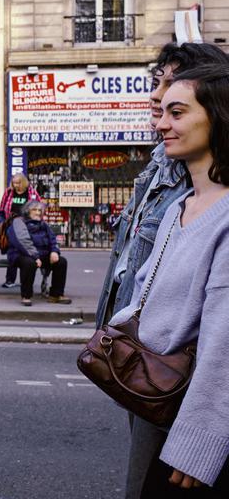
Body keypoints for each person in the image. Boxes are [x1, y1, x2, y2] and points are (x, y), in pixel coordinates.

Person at [108, 65, 229, 496]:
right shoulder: (180, 206)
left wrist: (200, 441)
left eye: (177, 113)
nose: (161, 123)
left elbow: (223, 345)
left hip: (192, 420)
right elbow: (145, 296)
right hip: (159, 401)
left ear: (218, 117)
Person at [97, 42, 229, 327]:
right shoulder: (159, 168)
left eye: (171, 85)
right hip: (130, 346)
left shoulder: (203, 188)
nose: (157, 95)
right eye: (157, 83)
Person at [6, 200, 71, 306]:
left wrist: (54, 251)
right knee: (29, 263)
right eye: (34, 210)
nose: (38, 212)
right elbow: (23, 242)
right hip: (21, 254)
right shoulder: (18, 222)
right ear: (27, 211)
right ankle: (26, 296)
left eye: (40, 210)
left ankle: (56, 294)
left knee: (61, 262)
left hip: (40, 255)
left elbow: (52, 239)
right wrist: (35, 256)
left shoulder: (43, 224)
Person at [0, 173, 42, 288]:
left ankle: (23, 280)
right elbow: (2, 209)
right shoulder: (8, 193)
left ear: (23, 182)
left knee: (23, 251)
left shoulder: (31, 192)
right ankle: (10, 280)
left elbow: (38, 206)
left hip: (26, 225)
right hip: (11, 225)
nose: (16, 185)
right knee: (13, 249)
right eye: (14, 183)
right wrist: (2, 221)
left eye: (18, 183)